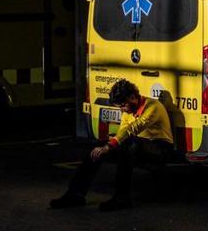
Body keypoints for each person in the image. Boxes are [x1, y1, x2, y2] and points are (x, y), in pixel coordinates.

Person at [50, 78, 173, 211]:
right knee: (96, 148)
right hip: (136, 145)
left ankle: (122, 197)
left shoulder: (153, 107)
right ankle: (75, 194)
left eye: (123, 105)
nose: (122, 110)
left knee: (127, 144)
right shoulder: (128, 111)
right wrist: (106, 146)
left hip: (160, 148)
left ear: (133, 97)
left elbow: (132, 129)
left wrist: (109, 146)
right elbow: (122, 133)